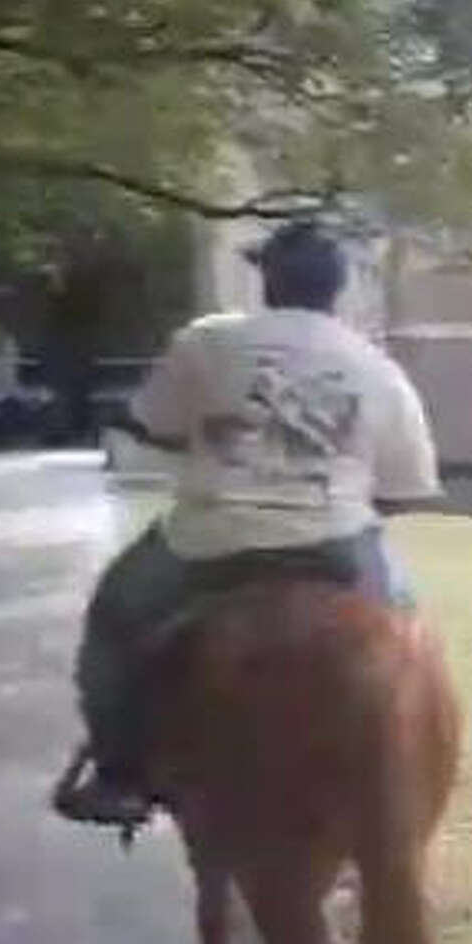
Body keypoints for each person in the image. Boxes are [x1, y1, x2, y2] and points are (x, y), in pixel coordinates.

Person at [54, 220, 441, 827]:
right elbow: (407, 488)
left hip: (211, 541)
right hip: (337, 543)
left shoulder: (208, 341)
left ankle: (119, 771)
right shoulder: (377, 367)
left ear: (267, 281)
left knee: (113, 616)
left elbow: (151, 425)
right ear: (335, 289)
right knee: (410, 642)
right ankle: (416, 766)